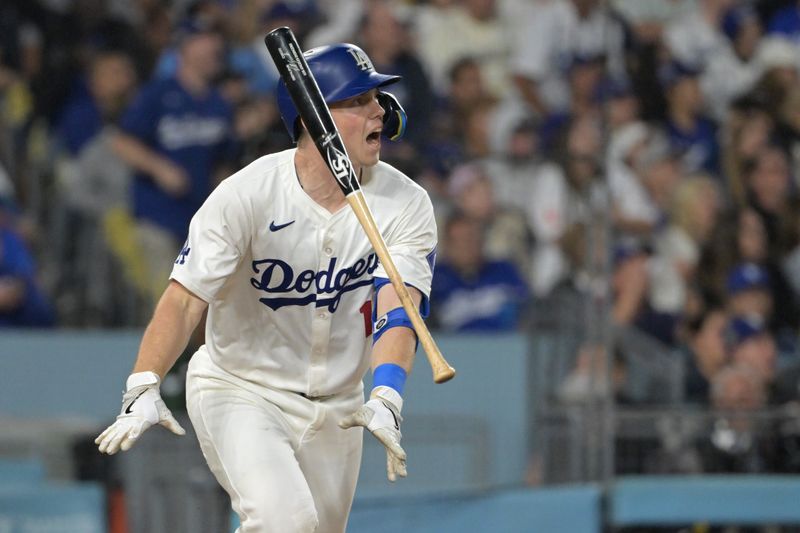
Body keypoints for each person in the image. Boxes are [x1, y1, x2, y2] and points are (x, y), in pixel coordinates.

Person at [95, 42, 438, 533]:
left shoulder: (406, 203)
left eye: (378, 98)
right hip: (241, 387)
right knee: (286, 522)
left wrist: (386, 394)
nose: (379, 109)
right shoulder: (246, 194)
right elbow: (185, 298)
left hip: (338, 403)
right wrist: (142, 382)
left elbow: (396, 311)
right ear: (311, 118)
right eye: (358, 100)